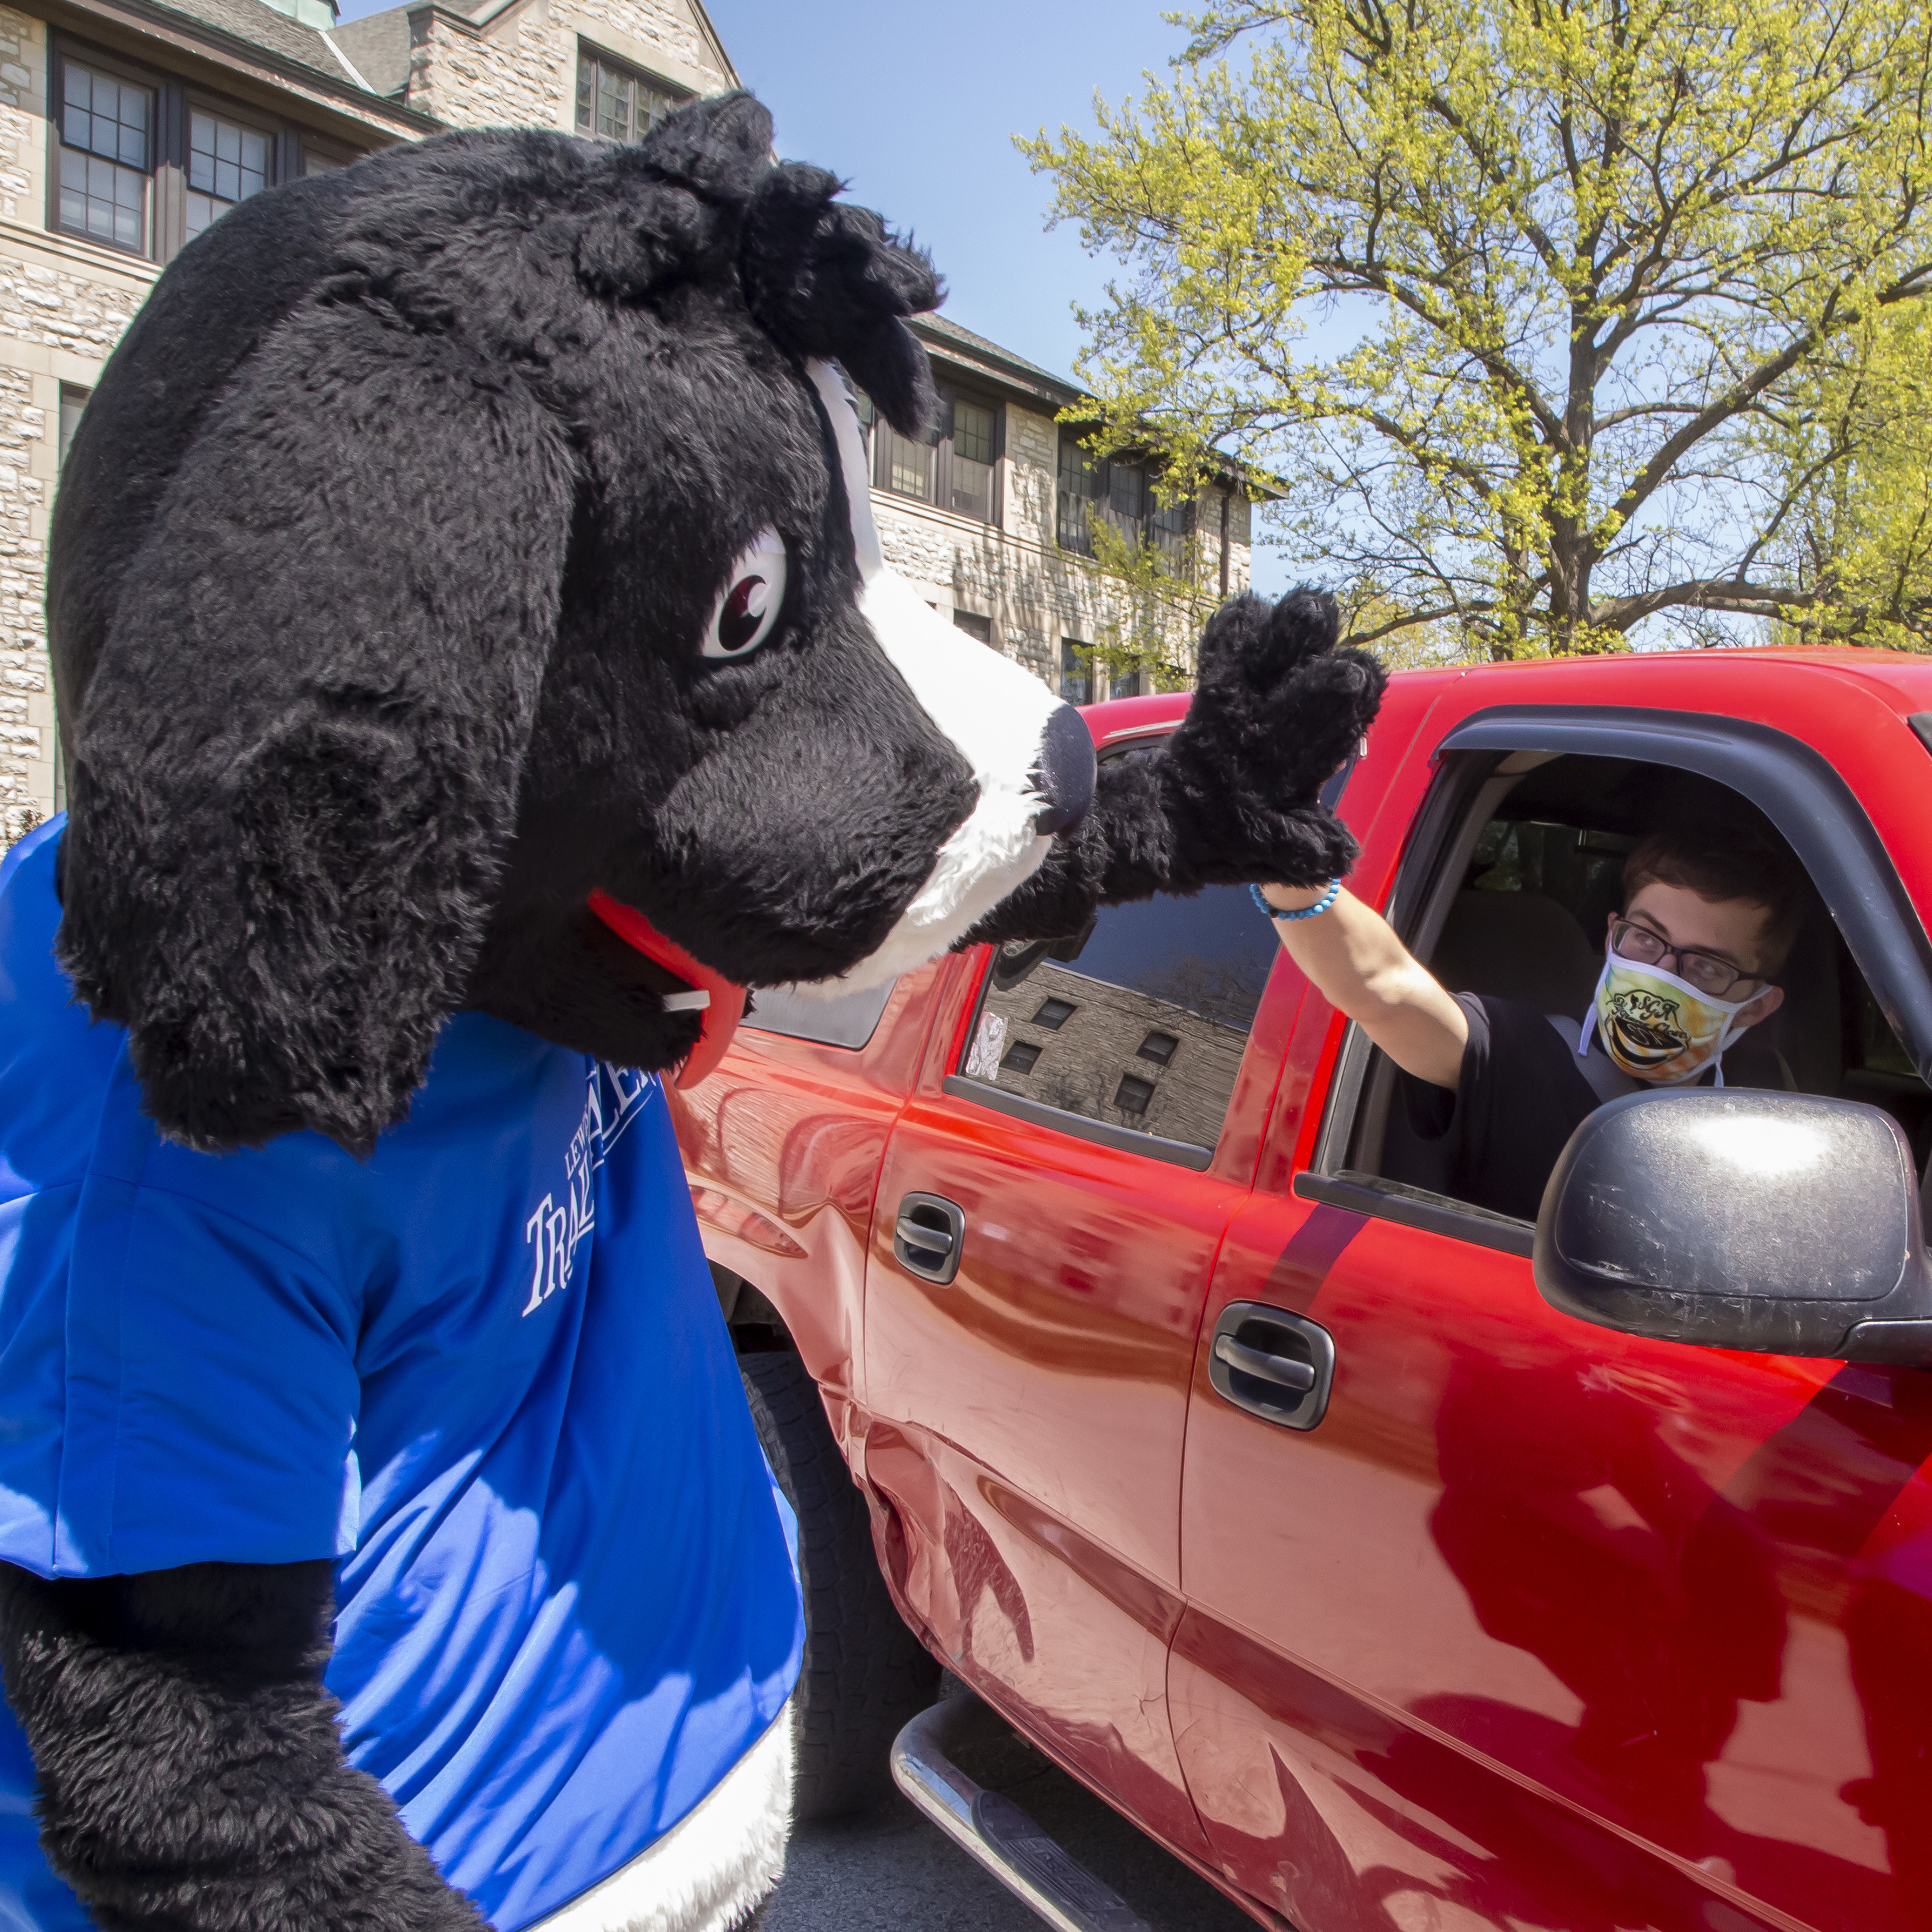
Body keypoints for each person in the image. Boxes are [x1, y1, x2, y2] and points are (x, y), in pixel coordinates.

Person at [1258, 830, 1811, 1220]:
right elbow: (1383, 986)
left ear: (1757, 1005)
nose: (1661, 973)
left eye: (1705, 966)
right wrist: (1280, 861)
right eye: (1645, 938)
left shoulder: (1770, 1125)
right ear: (1612, 935)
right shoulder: (1520, 1051)